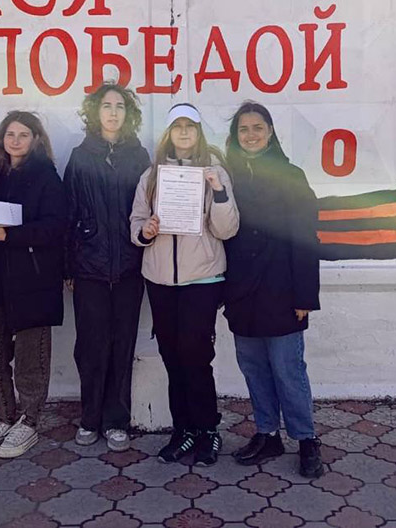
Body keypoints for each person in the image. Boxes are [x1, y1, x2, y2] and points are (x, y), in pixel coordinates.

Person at [130, 103, 239, 466]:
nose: (183, 132)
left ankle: (208, 429)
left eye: (189, 126)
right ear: (168, 133)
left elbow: (227, 229)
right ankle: (183, 430)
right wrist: (145, 231)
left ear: (198, 131)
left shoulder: (215, 172)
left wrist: (218, 191)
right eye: (177, 126)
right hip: (160, 279)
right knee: (172, 356)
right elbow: (136, 222)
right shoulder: (151, 176)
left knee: (196, 356)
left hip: (202, 279)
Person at [222, 102, 323, 478]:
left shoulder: (291, 175)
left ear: (270, 133)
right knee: (254, 368)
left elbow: (306, 237)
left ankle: (306, 439)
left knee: (287, 369)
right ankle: (267, 433)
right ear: (235, 136)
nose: (250, 135)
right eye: (243, 129)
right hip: (241, 292)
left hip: (282, 291)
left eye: (257, 128)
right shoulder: (227, 177)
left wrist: (305, 296)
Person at [0, 111, 68, 459]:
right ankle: (2, 417)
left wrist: (8, 235)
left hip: (32, 279)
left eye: (23, 134)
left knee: (31, 358)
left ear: (36, 139)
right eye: (10, 134)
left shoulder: (47, 177)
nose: (15, 141)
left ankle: (28, 421)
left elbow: (54, 228)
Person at [65, 83, 151, 451]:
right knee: (90, 345)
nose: (113, 112)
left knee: (122, 342)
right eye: (106, 106)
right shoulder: (80, 156)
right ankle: (90, 418)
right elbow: (68, 212)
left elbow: (148, 208)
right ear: (95, 113)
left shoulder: (139, 156)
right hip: (90, 268)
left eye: (119, 106)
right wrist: (68, 267)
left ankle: (117, 420)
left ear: (128, 114)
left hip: (130, 266)